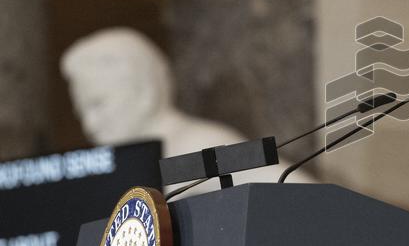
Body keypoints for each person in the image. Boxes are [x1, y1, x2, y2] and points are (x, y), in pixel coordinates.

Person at [61, 27, 312, 190]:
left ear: (143, 92)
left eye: (98, 104)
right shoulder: (122, 168)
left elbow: (297, 190)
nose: (90, 125)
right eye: (81, 112)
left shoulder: (198, 143)